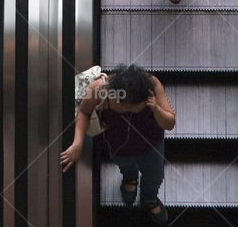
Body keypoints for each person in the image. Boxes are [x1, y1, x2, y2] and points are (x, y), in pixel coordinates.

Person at [60, 64, 176, 225]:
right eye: (120, 105)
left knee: (155, 176)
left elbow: (169, 123)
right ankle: (130, 178)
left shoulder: (152, 85)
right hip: (117, 145)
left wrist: (155, 108)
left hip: (151, 145)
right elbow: (84, 111)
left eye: (131, 108)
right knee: (125, 165)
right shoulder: (101, 88)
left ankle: (149, 198)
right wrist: (78, 143)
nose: (124, 109)